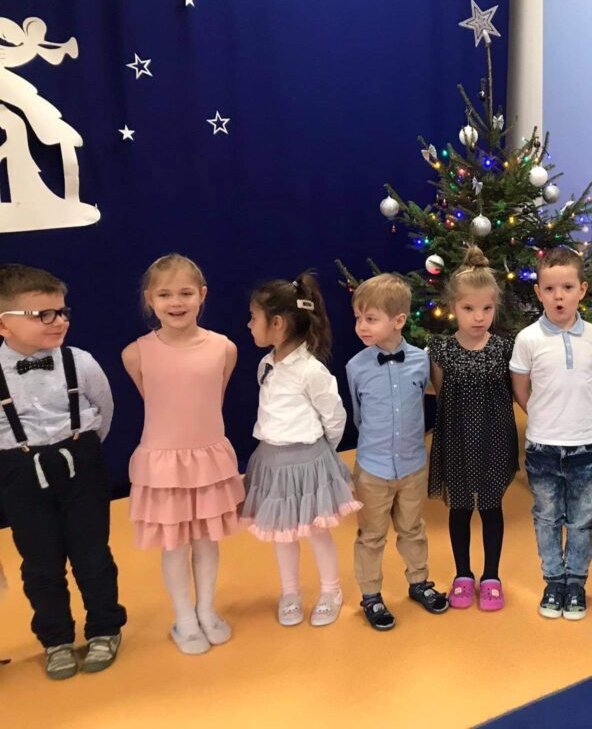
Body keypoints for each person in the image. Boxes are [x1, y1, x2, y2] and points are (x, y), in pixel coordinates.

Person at [0, 264, 126, 679]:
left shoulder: (80, 362)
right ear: (3, 324)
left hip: (80, 465)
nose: (59, 321)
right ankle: (55, 639)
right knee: (40, 564)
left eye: (62, 311)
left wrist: (79, 449)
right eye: (43, 315)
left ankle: (104, 628)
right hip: (20, 472)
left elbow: (103, 411)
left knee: (93, 555)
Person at [124, 254, 244, 655]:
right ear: (149, 299)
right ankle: (184, 618)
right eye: (165, 294)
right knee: (174, 544)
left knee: (208, 541)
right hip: (164, 464)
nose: (176, 302)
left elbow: (214, 398)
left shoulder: (223, 348)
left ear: (202, 295)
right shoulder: (136, 353)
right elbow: (155, 400)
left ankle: (206, 608)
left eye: (185, 293)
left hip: (208, 460)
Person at [240, 272, 361, 629]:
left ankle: (331, 591)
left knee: (317, 531)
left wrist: (323, 454)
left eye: (253, 318)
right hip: (272, 462)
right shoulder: (266, 365)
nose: (249, 325)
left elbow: (335, 416)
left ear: (277, 323)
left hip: (308, 461)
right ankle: (290, 592)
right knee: (283, 533)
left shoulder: (311, 371)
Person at [511, 248, 592, 621]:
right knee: (547, 518)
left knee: (582, 520)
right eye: (550, 289)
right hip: (543, 447)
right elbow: (521, 389)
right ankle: (553, 582)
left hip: (586, 445)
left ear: (581, 290)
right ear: (538, 292)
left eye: (567, 287)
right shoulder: (528, 338)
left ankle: (576, 583)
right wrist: (541, 416)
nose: (559, 296)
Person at [346, 273, 449, 630]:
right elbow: (359, 416)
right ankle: (371, 595)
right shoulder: (355, 367)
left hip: (412, 465)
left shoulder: (421, 361)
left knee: (413, 528)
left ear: (399, 320)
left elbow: (427, 402)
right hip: (372, 468)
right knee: (371, 535)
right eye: (358, 317)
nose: (361, 326)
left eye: (371, 318)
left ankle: (419, 581)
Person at [428, 247, 518, 612]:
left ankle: (491, 576)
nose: (479, 317)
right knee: (461, 508)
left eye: (487, 309)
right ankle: (462, 575)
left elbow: (515, 392)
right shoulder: (441, 351)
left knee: (492, 508)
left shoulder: (504, 348)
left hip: (495, 440)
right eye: (469, 308)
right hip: (456, 440)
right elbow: (440, 394)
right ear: (453, 307)